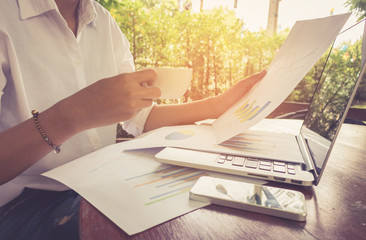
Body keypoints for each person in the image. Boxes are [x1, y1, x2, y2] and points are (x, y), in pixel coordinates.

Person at [0, 0, 266, 239]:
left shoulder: (104, 23)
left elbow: (139, 116)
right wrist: (73, 115)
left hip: (100, 186)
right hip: (24, 204)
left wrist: (217, 105)